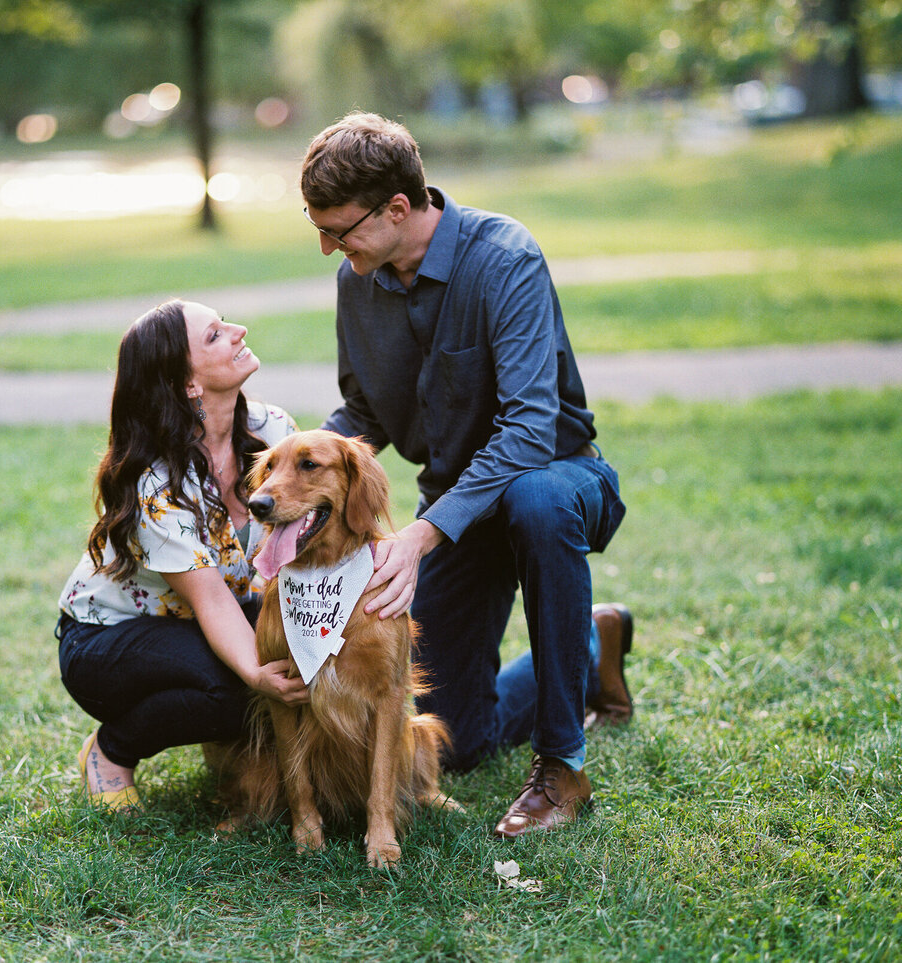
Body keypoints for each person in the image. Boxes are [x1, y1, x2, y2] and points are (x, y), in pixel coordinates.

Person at [299, 112, 634, 838]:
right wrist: (287, 476)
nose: (328, 245)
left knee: (536, 497)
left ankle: (562, 766)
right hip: (454, 506)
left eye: (339, 228)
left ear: (397, 208)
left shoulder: (505, 257)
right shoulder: (357, 280)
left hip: (561, 477)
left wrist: (420, 536)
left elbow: (528, 430)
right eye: (316, 227)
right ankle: (589, 646)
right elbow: (365, 411)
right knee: (454, 738)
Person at [56, 299, 307, 811]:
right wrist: (257, 674)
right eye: (215, 335)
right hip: (110, 640)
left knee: (298, 653)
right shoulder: (157, 478)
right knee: (238, 687)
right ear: (187, 383)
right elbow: (212, 600)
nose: (238, 331)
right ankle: (111, 751)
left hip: (211, 619)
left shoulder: (275, 429)